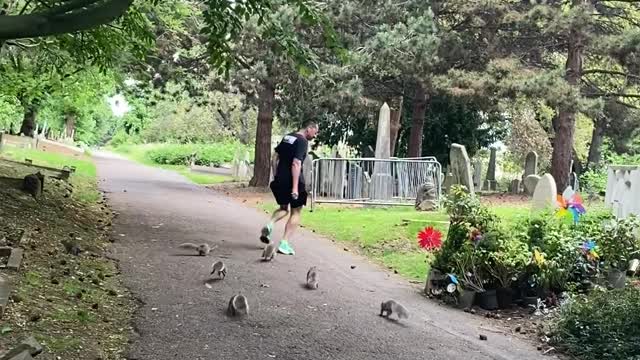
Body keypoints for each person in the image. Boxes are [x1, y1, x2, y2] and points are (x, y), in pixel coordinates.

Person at [259, 120, 319, 255]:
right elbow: (296, 163)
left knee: (283, 208)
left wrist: (276, 175)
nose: (315, 136)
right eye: (315, 132)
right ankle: (284, 243)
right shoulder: (302, 141)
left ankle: (270, 224)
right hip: (294, 181)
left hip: (281, 178)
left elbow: (274, 158)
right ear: (309, 128)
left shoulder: (287, 137)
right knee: (296, 212)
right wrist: (295, 188)